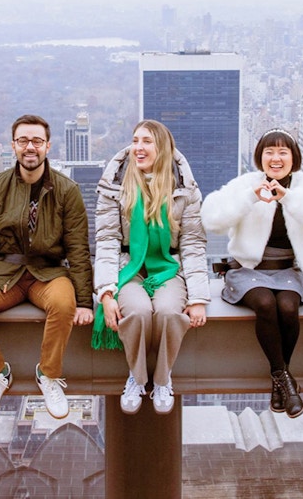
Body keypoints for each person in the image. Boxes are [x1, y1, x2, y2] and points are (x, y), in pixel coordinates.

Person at [0, 115, 94, 419]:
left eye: (37, 141)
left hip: (50, 272)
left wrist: (84, 300)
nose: (30, 147)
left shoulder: (66, 190)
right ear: (13, 145)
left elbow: (78, 248)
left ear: (48, 146)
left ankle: (48, 374)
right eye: (23, 141)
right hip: (6, 271)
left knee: (63, 303)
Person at [202, 128, 303, 418]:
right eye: (269, 152)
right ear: (260, 157)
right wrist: (249, 199)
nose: (276, 158)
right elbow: (212, 219)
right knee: (265, 303)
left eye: (282, 152)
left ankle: (280, 382)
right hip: (248, 269)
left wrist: (288, 198)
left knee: (288, 307)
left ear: (293, 157)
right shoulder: (247, 183)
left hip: (287, 268)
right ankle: (285, 381)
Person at [92, 120, 209, 415]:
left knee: (170, 312)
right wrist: (106, 292)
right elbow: (106, 239)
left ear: (162, 148)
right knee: (139, 311)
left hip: (168, 266)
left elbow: (193, 244)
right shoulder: (115, 185)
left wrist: (198, 299)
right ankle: (137, 377)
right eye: (135, 141)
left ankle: (162, 378)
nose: (139, 148)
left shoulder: (185, 188)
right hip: (128, 264)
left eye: (147, 142)